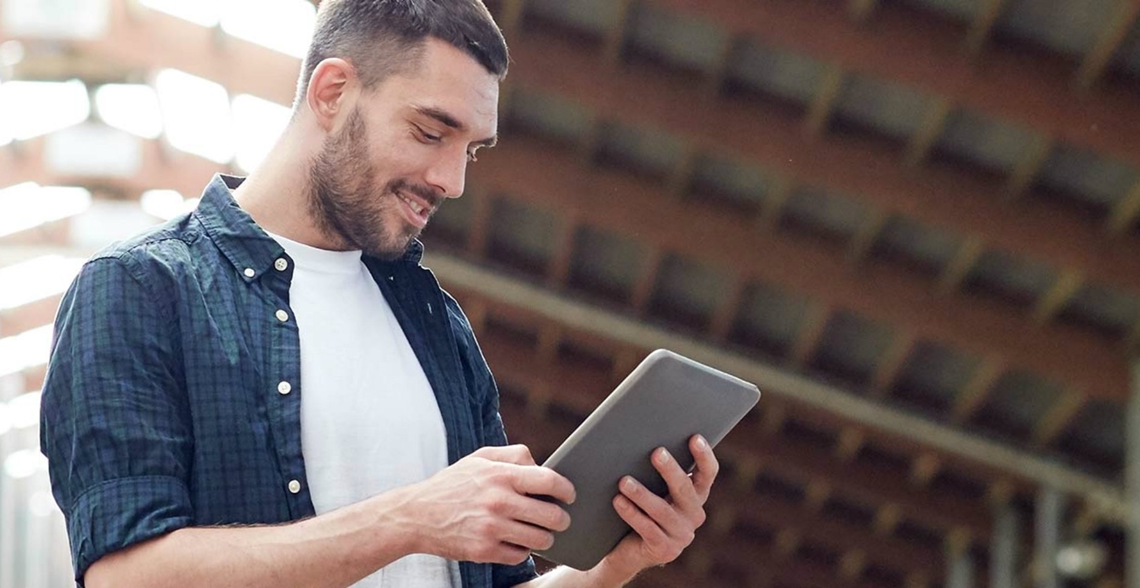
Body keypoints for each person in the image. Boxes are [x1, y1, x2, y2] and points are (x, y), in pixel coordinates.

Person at [38, 1, 718, 586]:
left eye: (472, 149)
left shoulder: (432, 321)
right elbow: (124, 575)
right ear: (332, 93)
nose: (451, 179)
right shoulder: (139, 291)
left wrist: (610, 567)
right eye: (430, 132)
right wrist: (411, 518)